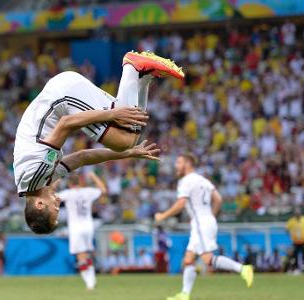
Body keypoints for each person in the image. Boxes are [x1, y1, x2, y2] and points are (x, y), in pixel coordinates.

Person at [14, 51, 184, 234]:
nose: (58, 204)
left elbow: (65, 124)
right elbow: (82, 157)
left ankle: (133, 68)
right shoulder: (36, 181)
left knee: (123, 138)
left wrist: (112, 114)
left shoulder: (35, 175)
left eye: (54, 209)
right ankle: (143, 76)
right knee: (128, 139)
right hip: (61, 95)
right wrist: (128, 153)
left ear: (40, 204)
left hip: (61, 97)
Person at [154, 153, 254, 300]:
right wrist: (210, 216)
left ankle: (243, 268)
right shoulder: (203, 180)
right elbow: (218, 199)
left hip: (201, 222)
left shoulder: (186, 181)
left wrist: (162, 216)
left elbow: (181, 204)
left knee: (207, 259)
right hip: (205, 220)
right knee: (188, 259)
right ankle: (184, 294)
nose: (176, 166)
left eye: (179, 162)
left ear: (188, 164)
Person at [58, 171, 107, 290]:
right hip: (88, 226)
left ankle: (89, 282)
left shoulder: (67, 193)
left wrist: (55, 182)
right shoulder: (88, 191)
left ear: (69, 183)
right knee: (86, 254)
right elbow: (103, 191)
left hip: (76, 227)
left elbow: (52, 198)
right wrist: (94, 176)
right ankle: (92, 278)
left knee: (81, 256)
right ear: (80, 181)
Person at [285, 207, 304, 275]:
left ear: (301, 212)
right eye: (296, 212)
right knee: (295, 256)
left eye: (298, 212)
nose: (297, 213)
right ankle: (296, 269)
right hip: (295, 242)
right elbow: (286, 229)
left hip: (303, 241)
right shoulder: (291, 221)